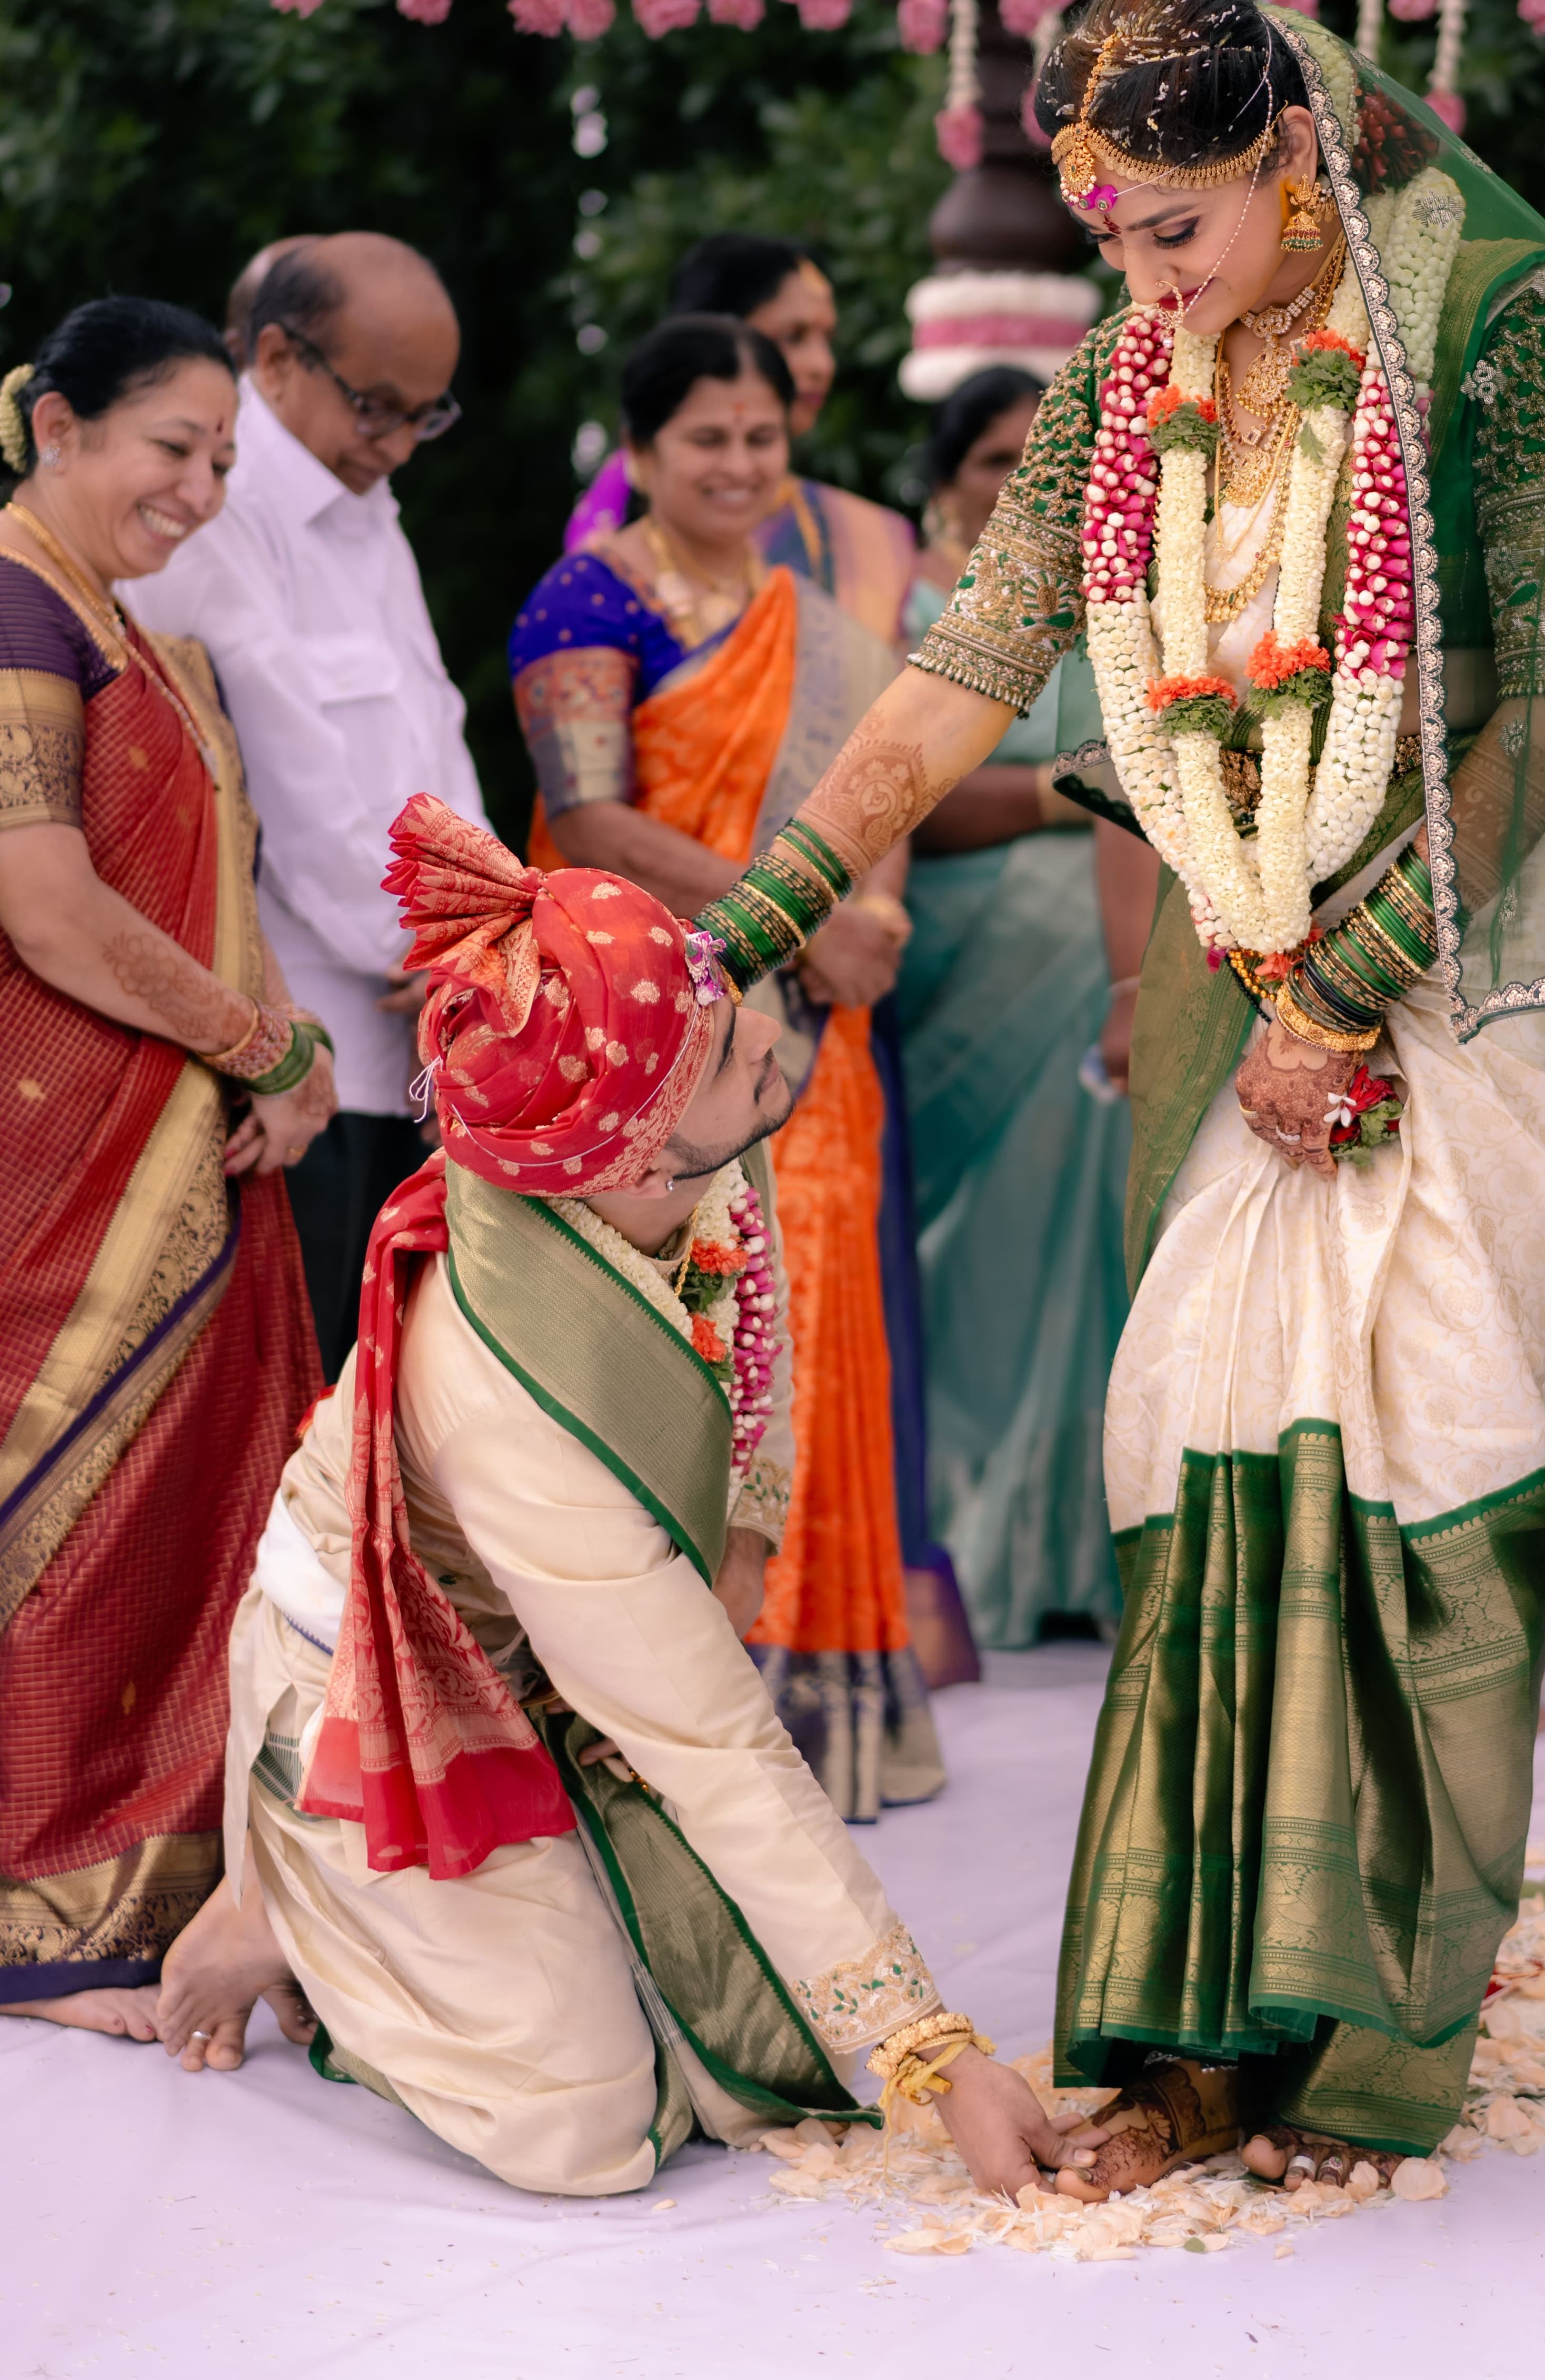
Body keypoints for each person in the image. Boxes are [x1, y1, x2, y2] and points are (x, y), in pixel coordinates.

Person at [687, 0, 1545, 2199]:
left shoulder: (1510, 327)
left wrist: (1356, 989)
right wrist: (761, 912)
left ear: (1292, 154)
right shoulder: (1138, 369)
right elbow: (973, 652)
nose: (1141, 279)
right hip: (1245, 962)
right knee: (1197, 1441)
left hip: (1485, 981)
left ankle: (1381, 2046)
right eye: (1110, 237)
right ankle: (1192, 2040)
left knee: (1423, 1445)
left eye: (1174, 228)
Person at [154, 795, 1088, 2205]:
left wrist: (742, 1537)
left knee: (735, 2053)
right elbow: (711, 1740)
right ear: (642, 1153)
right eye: (715, 1045)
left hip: (557, 1646)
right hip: (381, 1692)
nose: (758, 1030)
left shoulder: (641, 1129)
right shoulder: (516, 1394)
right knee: (586, 2128)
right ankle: (278, 1894)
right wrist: (933, 2053)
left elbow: (749, 1320)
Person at [510, 314, 942, 1820]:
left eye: (763, 436)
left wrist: (872, 918)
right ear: (641, 453)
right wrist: (808, 918)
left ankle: (824, 1710)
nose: (741, 463)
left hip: (817, 1030)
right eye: (707, 437)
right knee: (708, 1329)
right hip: (655, 1029)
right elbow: (594, 822)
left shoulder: (813, 620)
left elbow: (879, 800)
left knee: (819, 1320)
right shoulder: (587, 598)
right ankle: (681, 1713)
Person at [0, 301, 329, 2034]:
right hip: (56, 1147)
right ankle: (37, 1923)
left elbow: (209, 891)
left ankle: (170, 1888)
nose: (199, 490)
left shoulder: (135, 633)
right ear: (58, 426)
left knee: (188, 1515)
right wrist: (257, 1045)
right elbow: (47, 907)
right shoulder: (16, 613)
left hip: (185, 1130)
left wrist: (285, 1047)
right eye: (170, 449)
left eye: (220, 460)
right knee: (73, 1505)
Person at [125, 234, 485, 1382]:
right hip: (289, 1062)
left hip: (415, 1043)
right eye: (377, 407)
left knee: (380, 1408)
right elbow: (287, 786)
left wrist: (486, 939)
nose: (397, 445)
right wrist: (438, 949)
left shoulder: (367, 504)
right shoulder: (218, 510)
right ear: (277, 358)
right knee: (292, 1407)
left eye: (426, 417)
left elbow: (435, 740)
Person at [898, 366, 1152, 1644]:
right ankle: (965, 1540)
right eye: (997, 459)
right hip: (953, 963)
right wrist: (1065, 788)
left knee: (1078, 1234)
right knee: (963, 1264)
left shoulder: (1111, 604)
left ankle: (1073, 1546)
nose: (1026, 481)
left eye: (1047, 458)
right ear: (947, 480)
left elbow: (1148, 782)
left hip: (1094, 966)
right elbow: (901, 797)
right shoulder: (907, 602)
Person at [568, 233, 917, 650]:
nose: (823, 365)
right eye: (794, 336)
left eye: (827, 339)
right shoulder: (611, 542)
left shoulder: (871, 535)